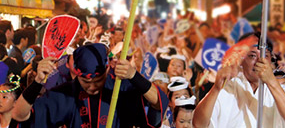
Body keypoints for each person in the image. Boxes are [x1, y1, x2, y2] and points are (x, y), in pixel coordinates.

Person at [10, 42, 168, 128]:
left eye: (98, 81)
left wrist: (134, 76)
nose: (92, 87)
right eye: (85, 81)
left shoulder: (121, 86)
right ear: (75, 72)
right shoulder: (67, 92)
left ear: (107, 69)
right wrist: (37, 81)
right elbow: (19, 115)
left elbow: (158, 104)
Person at [192, 34, 285, 128]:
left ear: (271, 61)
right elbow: (198, 124)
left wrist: (271, 82)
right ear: (241, 60)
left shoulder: (280, 89)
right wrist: (216, 89)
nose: (259, 61)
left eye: (265, 56)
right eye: (252, 56)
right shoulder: (228, 87)